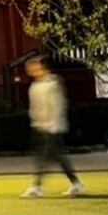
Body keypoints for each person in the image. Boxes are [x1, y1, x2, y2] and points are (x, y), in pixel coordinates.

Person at [20, 56, 86, 198]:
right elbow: (35, 107)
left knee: (45, 156)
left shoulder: (53, 83)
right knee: (56, 157)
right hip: (41, 127)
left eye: (33, 66)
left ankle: (36, 186)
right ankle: (76, 183)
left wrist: (53, 124)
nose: (30, 70)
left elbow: (58, 105)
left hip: (53, 127)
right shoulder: (35, 85)